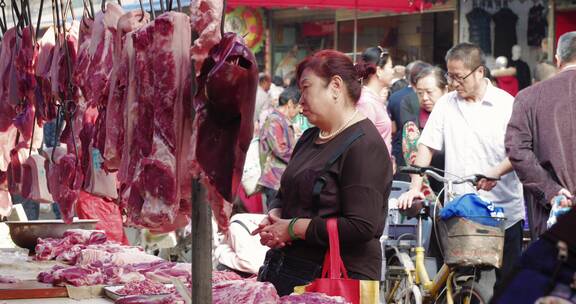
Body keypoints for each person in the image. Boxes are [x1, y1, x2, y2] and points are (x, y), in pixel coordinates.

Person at [254, 50, 393, 296]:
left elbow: (362, 225)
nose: (300, 101)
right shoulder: (309, 137)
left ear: (335, 86)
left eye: (306, 88)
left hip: (339, 278)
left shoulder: (364, 145)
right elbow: (286, 191)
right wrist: (276, 217)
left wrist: (294, 228)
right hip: (291, 270)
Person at [397, 43, 525, 294]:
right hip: (461, 214)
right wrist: (415, 187)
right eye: (449, 76)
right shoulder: (446, 104)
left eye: (459, 76)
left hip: (504, 212)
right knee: (459, 286)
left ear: (480, 72)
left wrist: (496, 171)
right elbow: (426, 146)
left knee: (509, 286)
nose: (454, 83)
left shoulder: (506, 104)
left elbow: (520, 151)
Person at [505, 31, 576, 240]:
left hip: (552, 217)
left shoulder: (529, 97)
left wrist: (551, 190)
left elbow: (517, 150)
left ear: (558, 59)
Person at [401, 66, 448, 198]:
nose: (424, 98)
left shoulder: (455, 120)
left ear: (445, 90)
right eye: (420, 93)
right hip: (427, 194)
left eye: (429, 92)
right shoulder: (413, 126)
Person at [258, 87, 302, 206]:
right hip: (275, 181)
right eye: (299, 107)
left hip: (281, 180)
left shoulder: (283, 121)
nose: (300, 111)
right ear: (290, 104)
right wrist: (303, 155)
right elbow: (281, 150)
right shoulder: (275, 121)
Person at [387, 61, 431, 179]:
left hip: (401, 152)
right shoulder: (430, 98)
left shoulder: (395, 96)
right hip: (427, 158)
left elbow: (393, 128)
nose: (425, 97)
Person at [355, 46, 394, 154]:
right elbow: (363, 144)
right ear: (379, 71)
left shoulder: (373, 99)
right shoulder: (366, 102)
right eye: (390, 67)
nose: (393, 71)